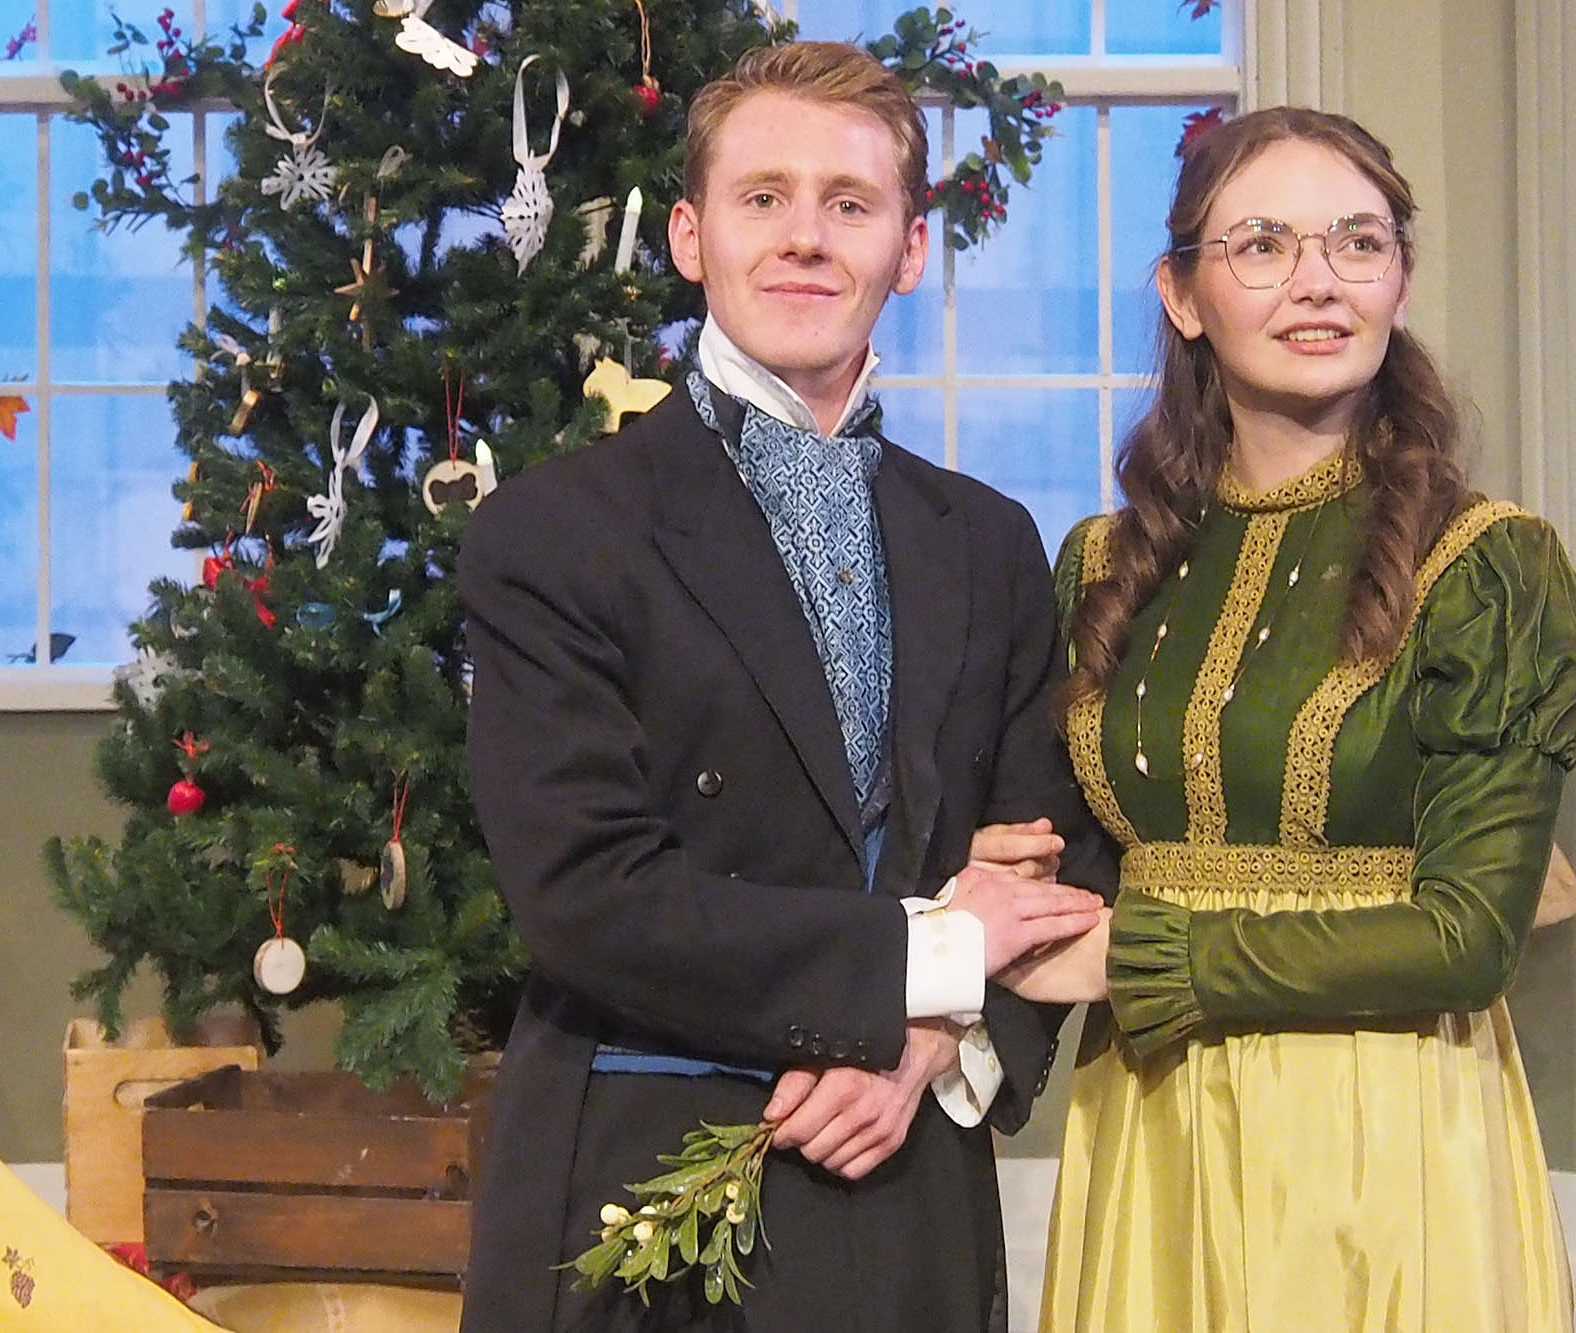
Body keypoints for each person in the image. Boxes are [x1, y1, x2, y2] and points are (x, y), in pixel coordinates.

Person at [457, 41, 1114, 1333]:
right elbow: (586, 895)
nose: (805, 237)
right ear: (693, 236)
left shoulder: (985, 540)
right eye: (764, 198)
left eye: (850, 204)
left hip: (909, 1178)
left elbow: (1054, 851)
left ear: (910, 252)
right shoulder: (553, 533)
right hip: (646, 1182)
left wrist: (931, 1042)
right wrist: (932, 952)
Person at [992, 107, 1576, 1332]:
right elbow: (1067, 856)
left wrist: (1141, 958)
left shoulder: (1489, 564)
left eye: (1357, 243)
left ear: (1400, 278)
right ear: (1182, 294)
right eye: (1263, 244)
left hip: (1379, 1133)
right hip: (1152, 1129)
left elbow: (1471, 936)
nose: (1317, 282)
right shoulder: (1101, 565)